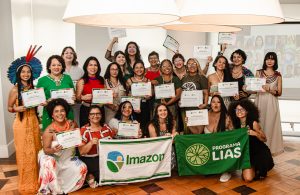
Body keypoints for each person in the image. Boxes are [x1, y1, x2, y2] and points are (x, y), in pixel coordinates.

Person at [7, 45, 43, 194]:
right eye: (23, 71)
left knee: (35, 151)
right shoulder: (15, 89)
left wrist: (42, 102)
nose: (26, 74)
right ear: (19, 73)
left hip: (33, 121)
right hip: (21, 123)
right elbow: (9, 108)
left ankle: (37, 181)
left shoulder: (34, 89)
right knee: (23, 153)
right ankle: (26, 183)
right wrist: (16, 109)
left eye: (28, 71)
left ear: (32, 73)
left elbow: (37, 103)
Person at [38, 98, 87, 194]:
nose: (59, 113)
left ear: (65, 112)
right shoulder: (49, 130)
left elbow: (78, 139)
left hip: (68, 157)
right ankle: (55, 191)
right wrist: (53, 150)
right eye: (56, 111)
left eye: (62, 110)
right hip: (53, 158)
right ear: (52, 115)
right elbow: (46, 150)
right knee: (48, 161)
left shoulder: (72, 124)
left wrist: (80, 142)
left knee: (83, 168)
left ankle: (65, 189)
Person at [228, 99, 274, 182]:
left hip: (257, 153)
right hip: (245, 153)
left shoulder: (253, 123)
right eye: (237, 109)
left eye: (242, 109)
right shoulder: (235, 123)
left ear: (247, 111)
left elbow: (265, 139)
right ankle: (251, 169)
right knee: (247, 178)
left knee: (248, 179)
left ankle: (259, 169)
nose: (239, 111)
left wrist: (255, 133)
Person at [79, 105, 116, 188]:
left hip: (105, 158)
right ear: (88, 116)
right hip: (91, 160)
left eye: (98, 113)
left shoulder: (106, 127)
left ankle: (92, 176)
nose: (95, 116)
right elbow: (81, 152)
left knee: (113, 176)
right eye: (92, 114)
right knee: (105, 179)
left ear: (101, 115)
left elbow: (114, 143)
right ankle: (89, 175)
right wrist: (90, 143)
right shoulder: (84, 130)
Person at [254, 52, 284, 155]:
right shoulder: (258, 72)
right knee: (259, 123)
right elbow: (254, 89)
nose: (269, 61)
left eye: (272, 59)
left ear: (275, 61)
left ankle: (269, 150)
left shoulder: (278, 75)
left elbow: (279, 92)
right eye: (267, 59)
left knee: (270, 125)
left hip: (271, 102)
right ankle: (258, 149)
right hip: (260, 100)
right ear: (264, 60)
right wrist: (247, 88)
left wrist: (269, 88)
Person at [37, 55, 75, 131]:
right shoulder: (42, 80)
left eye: (59, 65)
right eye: (53, 65)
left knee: (68, 138)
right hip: (49, 114)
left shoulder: (68, 78)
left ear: (62, 66)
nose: (56, 67)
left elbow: (74, 94)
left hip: (67, 112)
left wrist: (74, 98)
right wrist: (45, 102)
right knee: (51, 139)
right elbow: (38, 99)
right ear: (49, 67)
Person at [204, 95, 233, 182]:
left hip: (223, 149)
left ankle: (227, 170)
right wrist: (189, 123)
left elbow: (234, 136)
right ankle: (213, 167)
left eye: (218, 102)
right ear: (210, 104)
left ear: (222, 104)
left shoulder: (227, 116)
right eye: (213, 102)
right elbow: (197, 132)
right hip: (210, 147)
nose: (216, 104)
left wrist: (229, 126)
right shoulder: (205, 115)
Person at [181, 58, 209, 134]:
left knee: (198, 132)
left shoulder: (201, 77)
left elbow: (206, 93)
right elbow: (182, 93)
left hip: (198, 108)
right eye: (189, 64)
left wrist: (205, 104)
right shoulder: (184, 78)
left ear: (197, 65)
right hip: (186, 109)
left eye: (194, 63)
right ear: (186, 66)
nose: (192, 65)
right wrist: (180, 102)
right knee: (188, 131)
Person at [76, 56, 105, 127]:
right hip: (86, 110)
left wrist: (110, 96)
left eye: (95, 65)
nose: (93, 67)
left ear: (98, 67)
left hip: (100, 109)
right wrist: (83, 97)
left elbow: (105, 95)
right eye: (90, 65)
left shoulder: (102, 79)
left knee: (100, 131)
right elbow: (77, 99)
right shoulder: (82, 81)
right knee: (86, 132)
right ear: (86, 67)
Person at [148, 104, 178, 169]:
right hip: (158, 151)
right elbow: (155, 143)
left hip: (169, 147)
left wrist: (172, 136)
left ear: (168, 111)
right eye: (160, 110)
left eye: (165, 110)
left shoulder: (173, 122)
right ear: (157, 113)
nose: (163, 112)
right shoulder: (151, 125)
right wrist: (166, 138)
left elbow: (174, 140)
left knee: (176, 134)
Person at [126, 60, 152, 136]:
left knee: (144, 126)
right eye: (136, 68)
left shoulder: (148, 80)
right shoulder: (129, 81)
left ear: (144, 69)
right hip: (133, 106)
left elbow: (151, 93)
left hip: (145, 106)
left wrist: (149, 96)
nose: (139, 69)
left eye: (141, 67)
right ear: (133, 69)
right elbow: (126, 95)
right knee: (134, 126)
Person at [61, 46, 84, 126]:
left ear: (74, 56)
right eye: (66, 53)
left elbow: (83, 86)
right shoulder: (59, 69)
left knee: (76, 122)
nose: (69, 55)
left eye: (71, 53)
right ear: (62, 55)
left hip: (76, 103)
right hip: (62, 102)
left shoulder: (79, 70)